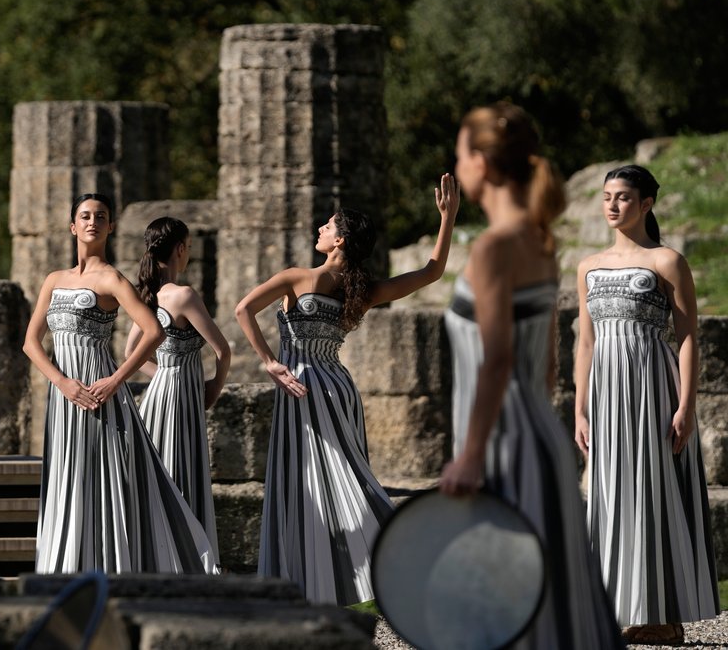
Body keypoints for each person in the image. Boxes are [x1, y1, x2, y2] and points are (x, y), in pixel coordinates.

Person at [439, 103, 622, 648]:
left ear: (484, 163)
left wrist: (471, 455)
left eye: (460, 153)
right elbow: (544, 361)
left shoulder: (494, 247)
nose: (456, 164)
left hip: (504, 443)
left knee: (506, 604)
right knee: (552, 601)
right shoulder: (540, 240)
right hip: (537, 435)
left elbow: (497, 359)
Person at [234, 174, 459, 605]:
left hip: (302, 385)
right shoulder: (362, 291)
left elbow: (243, 309)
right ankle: (344, 581)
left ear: (340, 241)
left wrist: (269, 362)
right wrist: (446, 220)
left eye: (328, 225)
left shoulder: (298, 276)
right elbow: (433, 271)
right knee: (340, 480)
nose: (320, 228)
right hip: (335, 384)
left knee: (326, 483)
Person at [23, 193, 217, 574]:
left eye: (101, 216)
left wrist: (115, 380)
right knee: (69, 476)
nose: (92, 221)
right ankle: (67, 569)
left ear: (110, 227)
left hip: (100, 395)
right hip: (64, 396)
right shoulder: (54, 280)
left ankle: (119, 566)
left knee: (105, 478)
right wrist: (61, 382)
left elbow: (152, 331)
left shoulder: (112, 278)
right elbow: (30, 342)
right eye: (85, 215)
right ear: (72, 226)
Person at [575, 165, 717, 642]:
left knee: (654, 490)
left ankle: (665, 616)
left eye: (623, 197)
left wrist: (686, 405)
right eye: (606, 197)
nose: (612, 206)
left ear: (646, 204)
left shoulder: (667, 261)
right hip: (605, 393)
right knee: (612, 496)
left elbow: (688, 336)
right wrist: (579, 407)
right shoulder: (588, 266)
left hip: (653, 388)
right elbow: (586, 343)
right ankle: (617, 607)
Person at [122, 216, 231, 559]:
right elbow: (222, 349)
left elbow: (130, 355)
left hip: (158, 395)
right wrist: (212, 388)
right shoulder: (183, 296)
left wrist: (164, 374)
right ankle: (187, 556)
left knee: (159, 471)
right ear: (181, 249)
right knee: (182, 471)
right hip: (183, 397)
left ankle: (157, 553)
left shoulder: (148, 296)